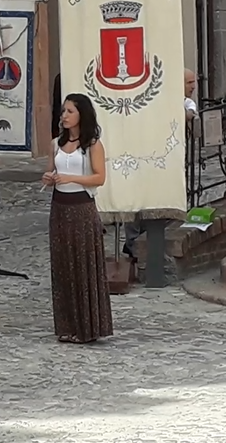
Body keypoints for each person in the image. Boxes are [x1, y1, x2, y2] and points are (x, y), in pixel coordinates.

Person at [42, 93, 112, 344]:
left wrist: (71, 178)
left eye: (70, 111)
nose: (65, 116)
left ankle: (87, 326)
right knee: (63, 265)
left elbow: (99, 177)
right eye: (63, 111)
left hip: (82, 208)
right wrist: (49, 178)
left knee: (83, 265)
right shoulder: (55, 144)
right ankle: (67, 325)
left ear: (82, 114)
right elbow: (51, 170)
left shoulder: (92, 144)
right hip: (60, 207)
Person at [123, 67, 196, 257]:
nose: (194, 86)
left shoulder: (184, 102)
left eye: (194, 82)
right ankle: (132, 242)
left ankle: (146, 243)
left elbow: (189, 112)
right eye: (189, 82)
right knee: (135, 201)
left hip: (164, 162)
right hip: (142, 157)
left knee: (158, 202)